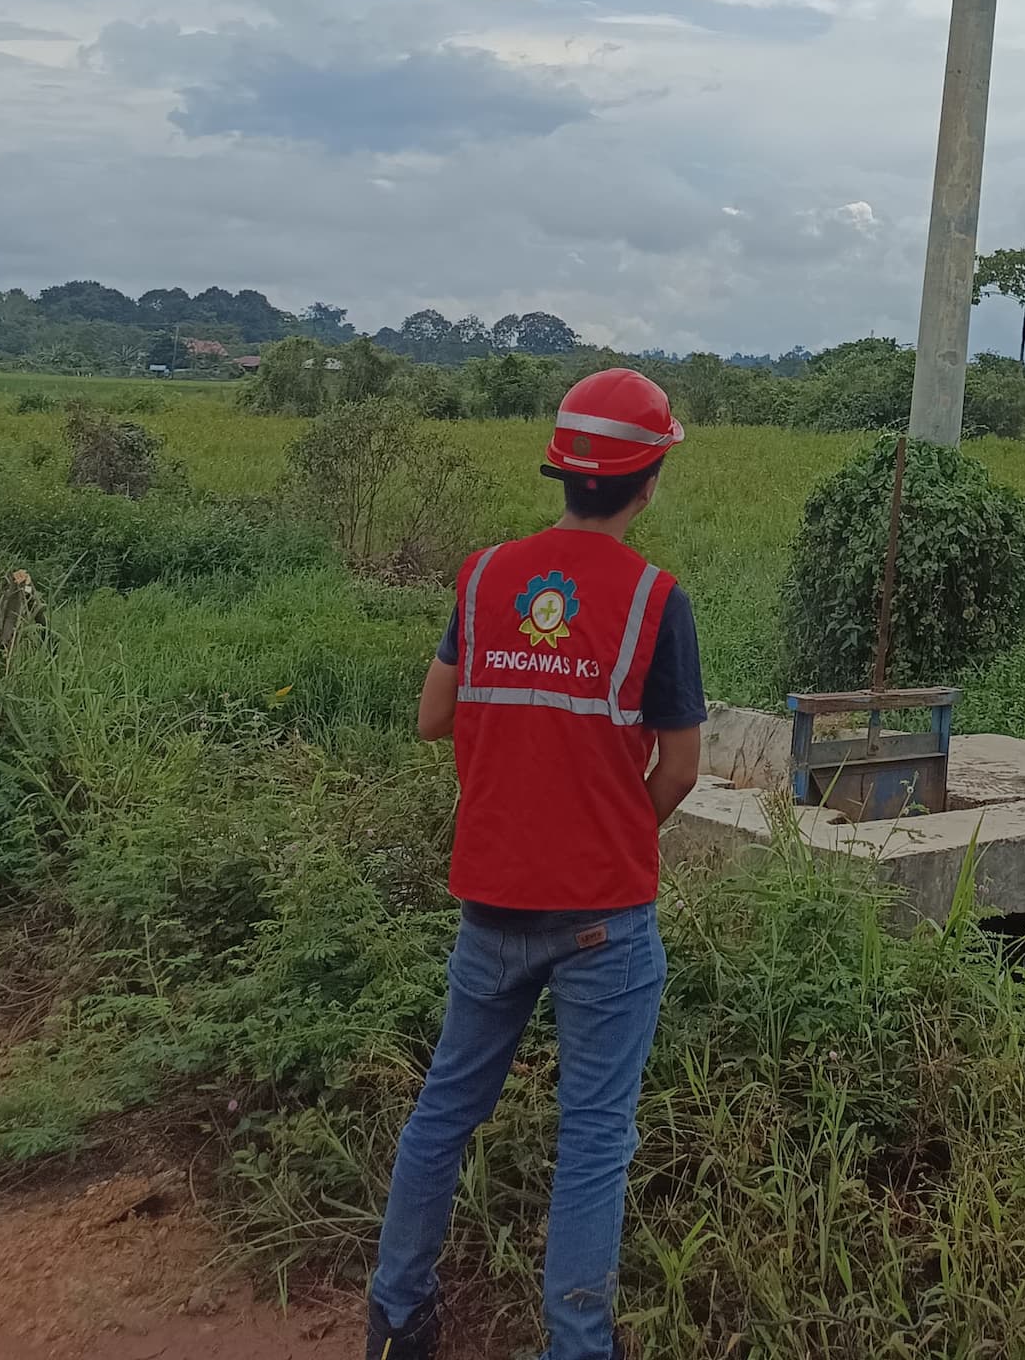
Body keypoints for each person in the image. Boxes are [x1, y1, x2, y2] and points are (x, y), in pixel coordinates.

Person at [367, 368, 705, 1360]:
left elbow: (434, 716)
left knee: (446, 1109)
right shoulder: (654, 601)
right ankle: (575, 1345)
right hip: (604, 917)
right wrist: (614, 829)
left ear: (566, 472)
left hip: (489, 904)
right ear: (646, 481)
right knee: (594, 1137)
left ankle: (395, 1316)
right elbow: (679, 768)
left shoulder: (483, 578)